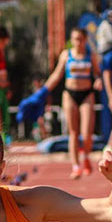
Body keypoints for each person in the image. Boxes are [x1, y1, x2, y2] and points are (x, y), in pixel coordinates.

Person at [44, 27, 102, 179]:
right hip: (70, 94)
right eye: (75, 39)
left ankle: (86, 157)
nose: (78, 42)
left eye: (81, 39)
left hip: (87, 94)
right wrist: (43, 91)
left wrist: (98, 80)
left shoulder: (90, 55)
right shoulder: (66, 55)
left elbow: (98, 73)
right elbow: (57, 74)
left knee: (87, 133)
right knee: (73, 133)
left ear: (85, 40)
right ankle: (76, 166)